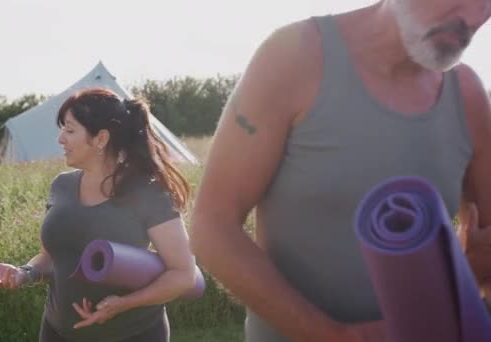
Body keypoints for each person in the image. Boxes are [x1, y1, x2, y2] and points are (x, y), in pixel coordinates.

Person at [190, 1, 491, 341]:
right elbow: (212, 226)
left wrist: (471, 273)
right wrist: (332, 335)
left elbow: (484, 254)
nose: (472, 18)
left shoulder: (468, 97)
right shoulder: (295, 56)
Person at [0, 88, 197, 342]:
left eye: (70, 130)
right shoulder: (62, 186)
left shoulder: (147, 193)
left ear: (101, 138)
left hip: (131, 335)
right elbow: (53, 257)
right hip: (56, 331)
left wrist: (123, 303)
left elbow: (183, 274)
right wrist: (24, 273)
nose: (60, 139)